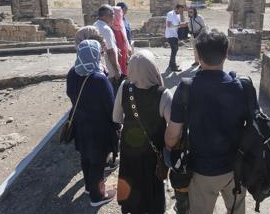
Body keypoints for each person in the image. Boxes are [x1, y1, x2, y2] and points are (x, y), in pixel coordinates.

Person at [165, 30, 251, 214]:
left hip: (203, 169)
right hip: (236, 167)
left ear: (198, 54)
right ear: (226, 53)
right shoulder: (242, 86)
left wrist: (169, 148)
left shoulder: (187, 88)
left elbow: (173, 134)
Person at [113, 50, 173, 214]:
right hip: (153, 152)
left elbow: (116, 117)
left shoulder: (124, 87)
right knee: (153, 184)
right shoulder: (163, 95)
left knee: (131, 181)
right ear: (153, 68)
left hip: (129, 148)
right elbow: (174, 126)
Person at [66, 39, 118, 207]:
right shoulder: (99, 79)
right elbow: (111, 107)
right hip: (99, 129)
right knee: (98, 162)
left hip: (80, 125)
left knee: (85, 156)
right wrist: (117, 126)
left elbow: (70, 95)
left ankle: (89, 186)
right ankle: (97, 196)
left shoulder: (72, 73)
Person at [93, 4, 122, 80]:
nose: (113, 17)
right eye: (112, 14)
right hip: (109, 69)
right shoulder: (105, 29)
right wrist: (116, 69)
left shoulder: (95, 25)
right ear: (105, 16)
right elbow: (110, 51)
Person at [165, 4, 187, 72]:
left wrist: (182, 14)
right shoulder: (170, 14)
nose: (181, 11)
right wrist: (180, 25)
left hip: (175, 35)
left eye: (182, 10)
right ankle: (173, 67)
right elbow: (168, 25)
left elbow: (182, 22)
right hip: (170, 35)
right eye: (180, 10)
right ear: (177, 8)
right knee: (174, 50)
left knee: (175, 50)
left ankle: (171, 64)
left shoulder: (178, 15)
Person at [112, 6, 131, 75]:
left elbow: (126, 39)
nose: (121, 15)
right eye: (119, 14)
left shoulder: (121, 25)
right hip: (115, 54)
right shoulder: (110, 28)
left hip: (123, 53)